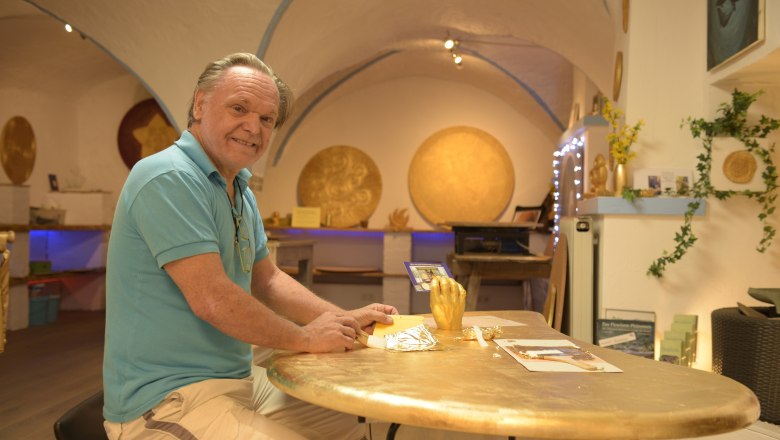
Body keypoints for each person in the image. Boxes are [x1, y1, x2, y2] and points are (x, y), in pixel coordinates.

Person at [102, 52, 397, 440]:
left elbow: (267, 280)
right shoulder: (168, 176)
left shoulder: (238, 188)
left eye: (266, 119)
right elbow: (211, 298)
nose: (252, 127)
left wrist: (342, 319)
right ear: (200, 104)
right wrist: (307, 338)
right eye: (239, 108)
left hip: (237, 383)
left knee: (363, 415)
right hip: (167, 400)